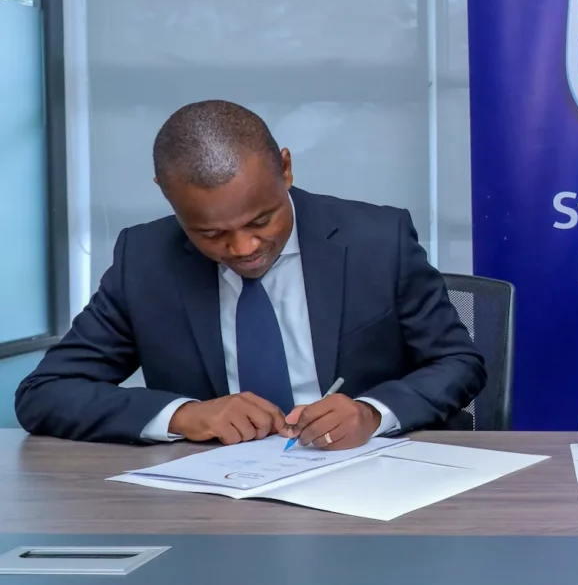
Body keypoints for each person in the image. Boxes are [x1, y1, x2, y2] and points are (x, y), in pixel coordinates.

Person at [16, 100, 487, 446]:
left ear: (285, 168)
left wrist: (371, 412)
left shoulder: (377, 240)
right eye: (211, 233)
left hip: (367, 478)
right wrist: (184, 415)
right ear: (166, 195)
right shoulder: (145, 259)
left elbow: (459, 363)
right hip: (214, 496)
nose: (243, 249)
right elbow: (45, 393)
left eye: (261, 221)